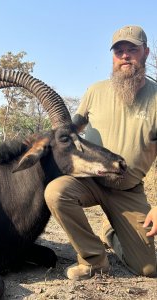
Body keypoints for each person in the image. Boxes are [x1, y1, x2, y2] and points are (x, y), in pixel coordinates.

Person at [44, 25, 157, 280]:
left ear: (146, 53)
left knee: (149, 270)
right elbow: (69, 130)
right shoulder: (95, 91)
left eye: (132, 50)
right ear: (113, 57)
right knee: (56, 192)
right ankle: (94, 260)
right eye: (119, 51)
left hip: (127, 191)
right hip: (89, 182)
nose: (125, 56)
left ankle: (111, 231)